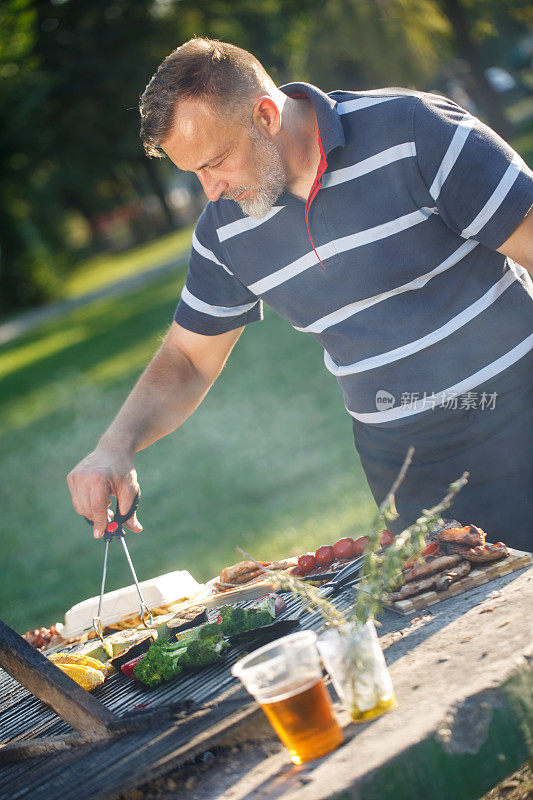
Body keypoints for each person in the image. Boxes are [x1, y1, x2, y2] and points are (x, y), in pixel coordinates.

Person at [67, 38, 533, 551]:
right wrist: (115, 447)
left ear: (266, 114)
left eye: (216, 161)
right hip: (406, 470)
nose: (210, 190)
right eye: (194, 172)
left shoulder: (414, 131)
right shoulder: (226, 229)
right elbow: (189, 360)